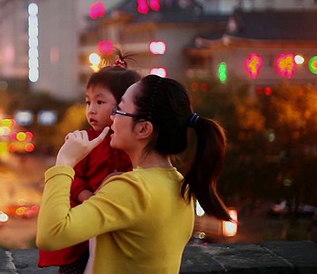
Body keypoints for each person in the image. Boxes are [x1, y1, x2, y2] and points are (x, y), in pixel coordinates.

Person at [36, 74, 232, 274]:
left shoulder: (131, 188)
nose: (112, 117)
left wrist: (64, 162)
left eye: (119, 110)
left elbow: (51, 235)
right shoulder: (181, 185)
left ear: (143, 128)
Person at [38, 56, 141, 273]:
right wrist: (86, 195)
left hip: (118, 224)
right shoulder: (83, 141)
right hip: (83, 228)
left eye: (100, 102)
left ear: (124, 105)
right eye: (88, 101)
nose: (91, 109)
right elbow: (72, 176)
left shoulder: (134, 143)